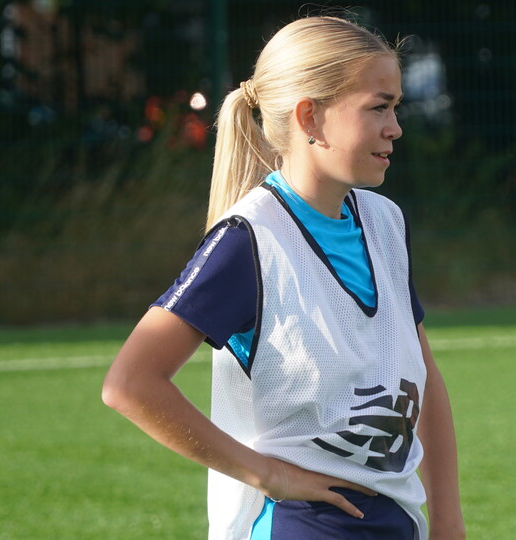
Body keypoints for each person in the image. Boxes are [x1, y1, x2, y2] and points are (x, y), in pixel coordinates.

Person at [102, 15, 465, 540]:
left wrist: (448, 521)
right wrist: (268, 475)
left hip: (396, 520)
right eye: (378, 107)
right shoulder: (248, 240)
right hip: (297, 524)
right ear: (310, 117)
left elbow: (422, 377)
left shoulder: (385, 222)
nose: (395, 127)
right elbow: (130, 384)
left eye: (395, 107)